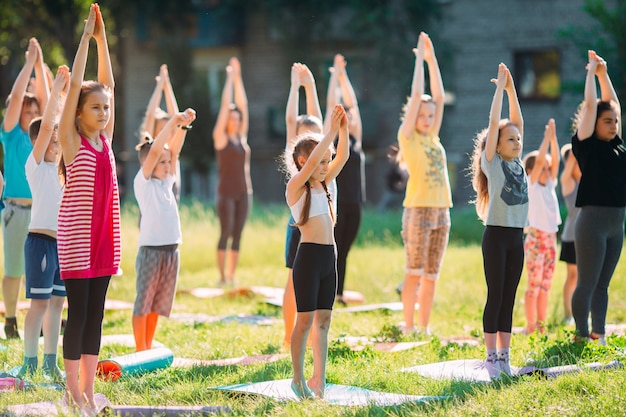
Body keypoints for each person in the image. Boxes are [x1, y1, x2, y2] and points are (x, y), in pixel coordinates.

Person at [57, 4, 120, 411]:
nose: (103, 112)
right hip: (77, 240)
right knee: (77, 314)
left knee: (96, 316)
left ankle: (88, 388)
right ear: (79, 113)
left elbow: (108, 84)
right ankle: (70, 389)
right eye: (95, 107)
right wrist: (84, 39)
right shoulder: (72, 140)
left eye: (106, 108)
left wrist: (102, 40)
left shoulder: (105, 140)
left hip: (105, 239)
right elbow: (80, 81)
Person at [286, 104, 348, 399]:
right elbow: (312, 166)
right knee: (305, 321)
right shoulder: (296, 187)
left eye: (327, 161)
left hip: (329, 259)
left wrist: (343, 129)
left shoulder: (326, 184)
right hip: (308, 259)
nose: (325, 166)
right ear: (301, 161)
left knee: (324, 322)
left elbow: (343, 155)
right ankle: (297, 379)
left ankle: (318, 381)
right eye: (320, 161)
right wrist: (330, 131)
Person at [470, 63, 527, 379]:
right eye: (511, 140)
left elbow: (516, 121)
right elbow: (497, 123)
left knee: (509, 297)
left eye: (518, 140)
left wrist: (511, 89)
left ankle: (505, 357)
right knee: (496, 295)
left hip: (517, 237)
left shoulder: (518, 163)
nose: (517, 142)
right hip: (496, 236)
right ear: (496, 145)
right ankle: (491, 357)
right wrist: (498, 92)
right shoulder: (493, 164)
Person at [397, 32, 452, 334]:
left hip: (442, 211)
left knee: (431, 274)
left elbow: (439, 97)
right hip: (418, 212)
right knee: (414, 272)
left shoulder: (433, 138)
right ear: (413, 115)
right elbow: (419, 96)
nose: (429, 118)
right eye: (423, 115)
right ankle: (408, 326)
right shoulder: (408, 138)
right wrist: (418, 58)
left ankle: (424, 327)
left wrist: (432, 60)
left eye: (432, 116)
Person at [18, 66, 69, 381]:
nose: (56, 144)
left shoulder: (63, 173)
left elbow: (60, 126)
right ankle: (30, 362)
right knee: (38, 305)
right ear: (37, 143)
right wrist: (57, 91)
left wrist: (65, 96)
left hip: (62, 245)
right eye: (50, 140)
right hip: (39, 243)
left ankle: (51, 363)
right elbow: (51, 122)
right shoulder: (35, 167)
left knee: (57, 306)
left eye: (58, 140)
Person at [571, 51, 623, 346]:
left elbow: (612, 104)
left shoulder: (618, 146)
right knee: (588, 283)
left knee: (603, 284)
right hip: (591, 222)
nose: (614, 124)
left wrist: (605, 74)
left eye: (615, 121)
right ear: (594, 124)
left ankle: (598, 335)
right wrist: (591, 73)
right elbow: (592, 105)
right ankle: (580, 336)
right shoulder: (586, 146)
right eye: (607, 121)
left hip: (617, 223)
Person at [133, 109, 196, 352]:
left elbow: (174, 150)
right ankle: (140, 349)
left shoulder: (167, 182)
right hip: (151, 251)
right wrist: (171, 122)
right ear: (149, 164)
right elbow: (158, 150)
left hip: (172, 251)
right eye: (162, 162)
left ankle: (148, 348)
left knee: (158, 304)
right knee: (144, 303)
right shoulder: (144, 183)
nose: (168, 165)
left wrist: (182, 127)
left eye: (169, 162)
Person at [1, 37, 49, 339]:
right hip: (16, 211)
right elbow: (18, 96)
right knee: (14, 269)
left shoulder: (41, 138)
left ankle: (42, 319)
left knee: (42, 269)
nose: (31, 115)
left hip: (41, 212)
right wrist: (30, 62)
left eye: (35, 113)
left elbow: (46, 99)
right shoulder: (11, 136)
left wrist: (42, 64)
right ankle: (10, 318)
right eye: (26, 112)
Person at [282, 62, 324, 349]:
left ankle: (310, 334)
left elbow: (320, 121)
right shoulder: (298, 164)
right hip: (299, 227)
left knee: (318, 283)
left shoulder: (325, 160)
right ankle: (288, 335)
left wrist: (310, 86)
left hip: (322, 228)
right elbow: (290, 122)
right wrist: (296, 87)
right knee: (292, 281)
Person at [324, 54, 366, 306]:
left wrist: (343, 75)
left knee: (346, 248)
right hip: (337, 203)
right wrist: (333, 78)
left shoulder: (356, 139)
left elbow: (354, 105)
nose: (351, 116)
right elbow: (333, 103)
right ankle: (330, 292)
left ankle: (339, 293)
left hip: (355, 203)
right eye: (346, 114)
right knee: (335, 247)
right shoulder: (334, 141)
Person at [212, 57, 252, 288]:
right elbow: (226, 106)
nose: (236, 121)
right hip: (225, 192)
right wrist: (228, 79)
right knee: (225, 232)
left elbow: (243, 106)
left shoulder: (241, 137)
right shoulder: (221, 138)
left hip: (244, 191)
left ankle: (232, 275)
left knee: (237, 234)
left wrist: (238, 78)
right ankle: (221, 277)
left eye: (238, 119)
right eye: (232, 118)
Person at [522, 119, 561, 334]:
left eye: (548, 168)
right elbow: (539, 164)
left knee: (545, 286)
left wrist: (554, 140)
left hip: (551, 240)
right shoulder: (533, 185)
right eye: (542, 168)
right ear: (530, 172)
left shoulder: (550, 185)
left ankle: (541, 326)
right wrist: (546, 139)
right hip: (536, 238)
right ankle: (529, 325)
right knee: (534, 286)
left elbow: (554, 162)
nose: (547, 171)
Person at [139, 64, 184, 203]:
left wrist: (167, 86)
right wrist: (159, 87)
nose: (168, 132)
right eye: (163, 129)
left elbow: (176, 116)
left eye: (169, 129)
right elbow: (151, 115)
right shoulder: (150, 150)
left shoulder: (172, 152)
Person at [558, 143, 581, 325]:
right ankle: (568, 314)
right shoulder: (567, 181)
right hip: (571, 236)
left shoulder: (586, 180)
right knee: (572, 276)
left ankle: (581, 312)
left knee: (585, 277)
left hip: (587, 236)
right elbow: (571, 158)